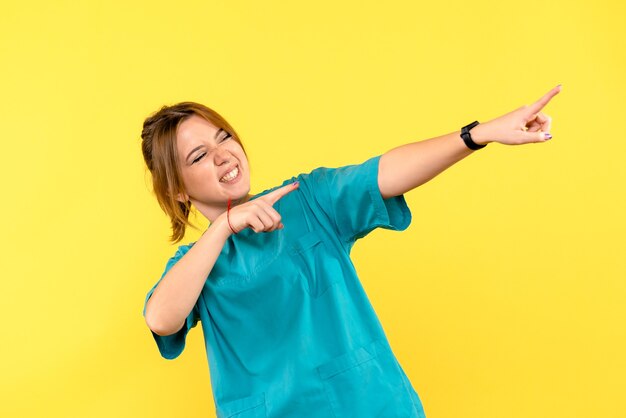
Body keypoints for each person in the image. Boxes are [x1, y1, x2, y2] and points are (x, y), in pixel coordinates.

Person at [141, 85, 561, 418]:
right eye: (199, 155)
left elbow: (384, 172)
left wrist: (478, 134)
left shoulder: (306, 200)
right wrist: (223, 230)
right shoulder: (195, 267)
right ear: (178, 189)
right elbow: (161, 318)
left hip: (371, 406)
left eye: (224, 137)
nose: (223, 155)